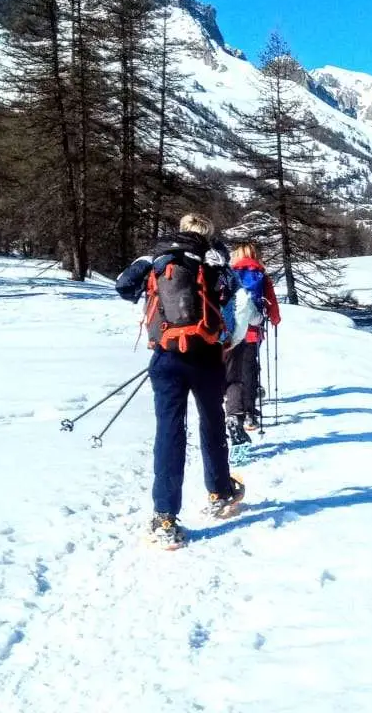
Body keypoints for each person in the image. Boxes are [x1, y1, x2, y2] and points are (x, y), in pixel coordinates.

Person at [115, 213, 243, 549]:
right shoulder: (214, 260)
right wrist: (225, 341)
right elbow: (231, 305)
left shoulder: (154, 258)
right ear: (206, 234)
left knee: (169, 431)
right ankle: (219, 492)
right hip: (206, 358)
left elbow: (123, 286)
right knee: (212, 425)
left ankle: (165, 518)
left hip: (166, 357)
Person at [221, 242, 281, 442]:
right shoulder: (261, 274)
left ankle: (233, 410)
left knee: (233, 372)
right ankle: (249, 412)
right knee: (249, 369)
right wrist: (275, 318)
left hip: (232, 331)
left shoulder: (229, 273)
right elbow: (271, 301)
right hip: (253, 331)